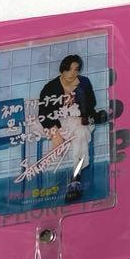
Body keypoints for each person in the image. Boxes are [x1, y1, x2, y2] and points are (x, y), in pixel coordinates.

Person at [38, 54, 98, 203]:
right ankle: (73, 177)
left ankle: (75, 178)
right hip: (58, 123)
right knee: (78, 132)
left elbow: (92, 104)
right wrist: (55, 132)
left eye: (76, 69)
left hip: (79, 120)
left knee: (80, 132)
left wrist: (82, 108)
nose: (72, 73)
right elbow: (43, 113)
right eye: (69, 69)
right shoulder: (50, 87)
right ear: (62, 70)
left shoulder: (84, 82)